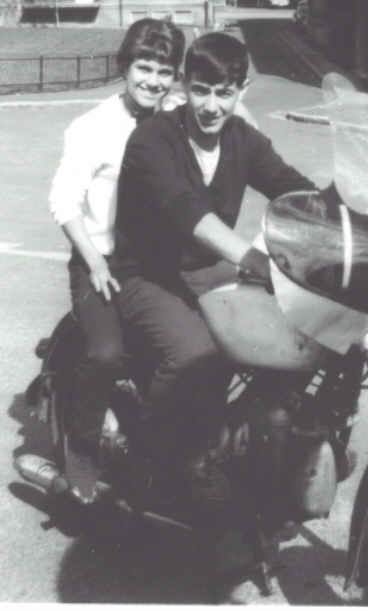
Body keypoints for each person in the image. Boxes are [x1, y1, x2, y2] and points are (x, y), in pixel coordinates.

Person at [112, 32, 316, 500]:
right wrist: (252, 258)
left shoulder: (242, 139)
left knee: (292, 332)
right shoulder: (153, 140)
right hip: (145, 273)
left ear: (241, 90)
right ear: (183, 85)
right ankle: (152, 457)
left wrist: (357, 220)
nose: (210, 106)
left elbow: (290, 187)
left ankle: (250, 441)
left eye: (224, 93)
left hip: (205, 269)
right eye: (200, 90)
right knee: (194, 353)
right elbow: (187, 211)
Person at [47, 18, 186, 503]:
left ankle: (171, 451)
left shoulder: (177, 119)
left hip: (153, 266)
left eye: (164, 71)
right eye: (144, 67)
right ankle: (82, 445)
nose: (153, 80)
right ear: (125, 66)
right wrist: (95, 262)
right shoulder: (92, 127)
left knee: (196, 348)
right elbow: (64, 201)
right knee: (107, 353)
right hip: (99, 262)